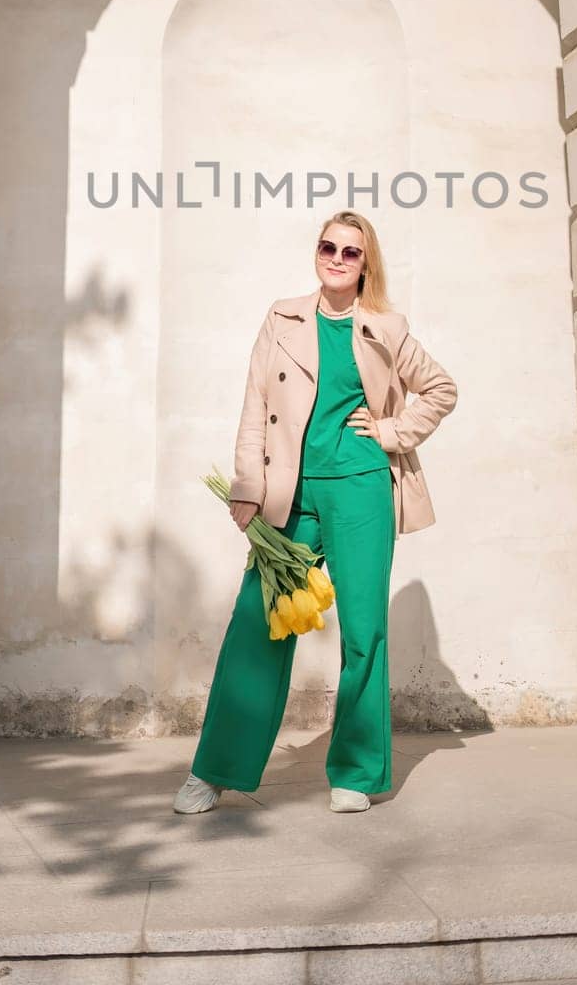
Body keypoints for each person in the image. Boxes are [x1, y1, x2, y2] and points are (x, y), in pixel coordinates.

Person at [173, 210, 458, 815]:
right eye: (328, 246)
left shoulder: (386, 327)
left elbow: (440, 389)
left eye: (350, 251)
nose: (336, 257)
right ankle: (215, 770)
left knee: (363, 631)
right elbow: (255, 405)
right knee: (258, 626)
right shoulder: (282, 318)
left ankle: (355, 771)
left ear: (365, 263)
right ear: (316, 253)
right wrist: (247, 486)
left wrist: (389, 431)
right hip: (290, 494)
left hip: (359, 491)